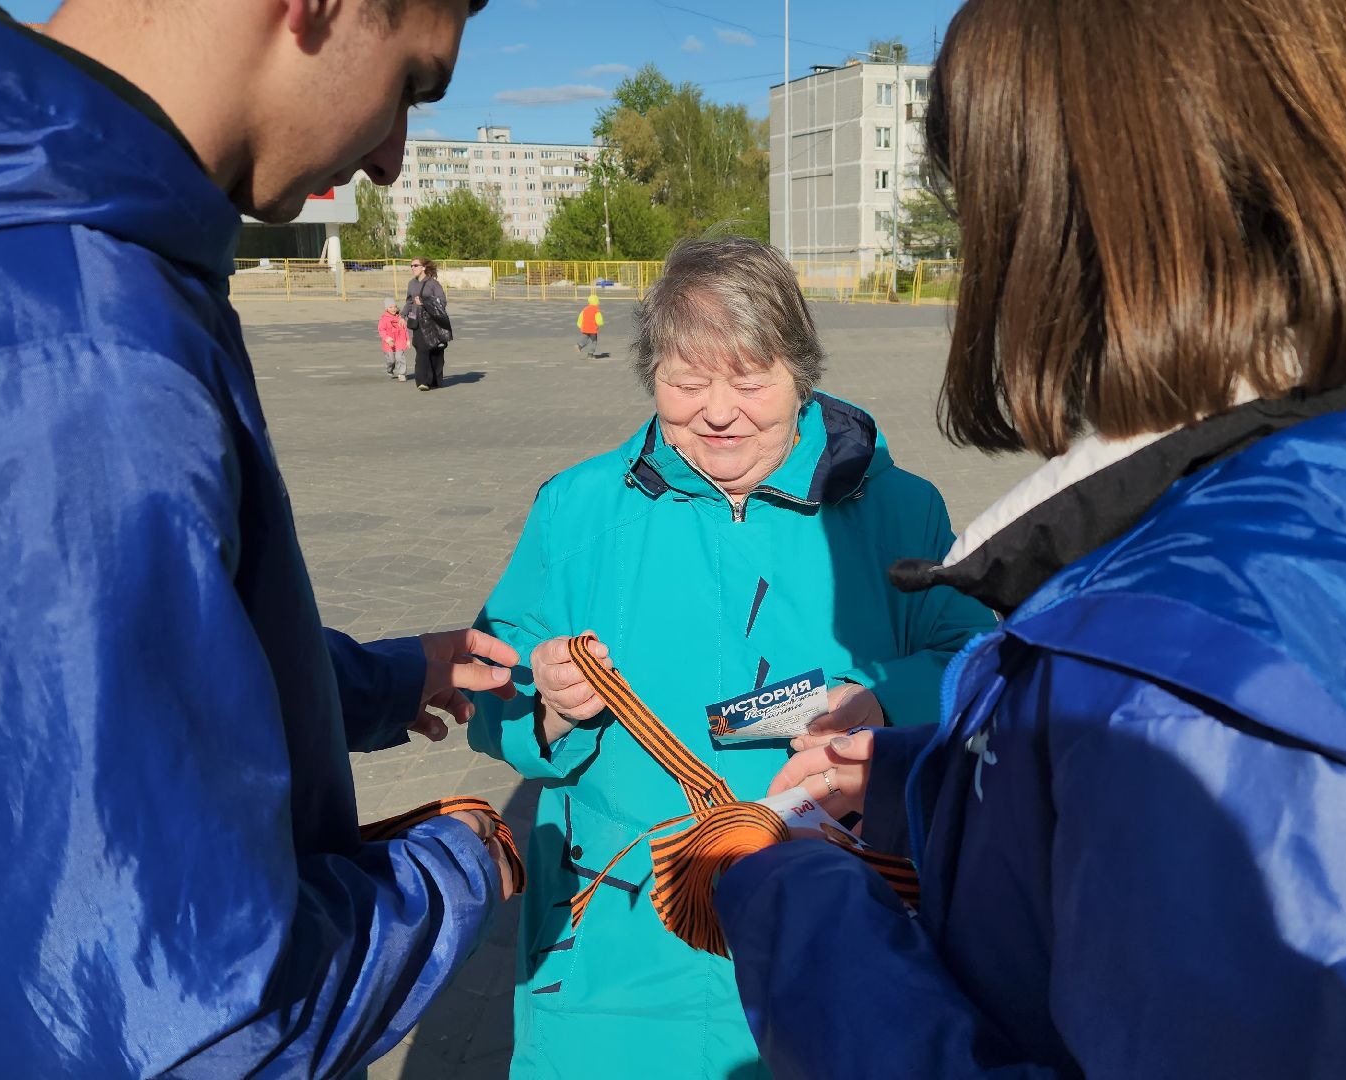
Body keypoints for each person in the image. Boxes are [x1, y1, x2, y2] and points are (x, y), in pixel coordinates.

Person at [715, 0, 1346, 1076]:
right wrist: (935, 778)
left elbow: (1214, 776)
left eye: (976, 194)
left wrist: (795, 910)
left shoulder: (1160, 696)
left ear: (1059, 219)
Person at [0, 0, 527, 1075]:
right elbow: (191, 1026)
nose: (392, 158)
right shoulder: (63, 356)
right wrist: (463, 861)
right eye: (411, 82)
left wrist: (379, 683)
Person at [465, 236, 996, 1078]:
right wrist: (547, 703)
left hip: (834, 932)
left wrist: (888, 697)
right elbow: (490, 684)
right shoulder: (576, 510)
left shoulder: (900, 510)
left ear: (801, 373)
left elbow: (979, 659)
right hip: (614, 955)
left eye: (750, 382)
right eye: (685, 383)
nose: (718, 412)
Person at [406, 256, 451, 390]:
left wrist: (425, 302)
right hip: (418, 322)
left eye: (415, 265)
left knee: (435, 352)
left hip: (433, 323)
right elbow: (409, 301)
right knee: (421, 351)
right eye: (411, 266)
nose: (412, 268)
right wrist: (402, 316)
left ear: (423, 267)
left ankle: (435, 380)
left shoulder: (433, 284)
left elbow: (442, 302)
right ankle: (422, 381)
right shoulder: (411, 284)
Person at [381, 293, 413, 379]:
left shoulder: (400, 317)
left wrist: (407, 341)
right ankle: (390, 369)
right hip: (389, 343)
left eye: (394, 307)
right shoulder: (384, 318)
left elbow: (404, 329)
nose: (393, 309)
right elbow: (381, 330)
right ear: (386, 308)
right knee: (391, 360)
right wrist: (387, 339)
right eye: (390, 307)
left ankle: (402, 374)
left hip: (399, 341)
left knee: (400, 357)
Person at [575, 289, 604, 356]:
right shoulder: (596, 310)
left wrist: (579, 325)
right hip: (593, 328)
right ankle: (590, 353)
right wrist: (600, 323)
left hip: (585, 328)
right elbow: (598, 319)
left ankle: (579, 346)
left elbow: (580, 318)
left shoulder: (585, 309)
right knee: (593, 341)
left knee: (585, 338)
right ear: (597, 301)